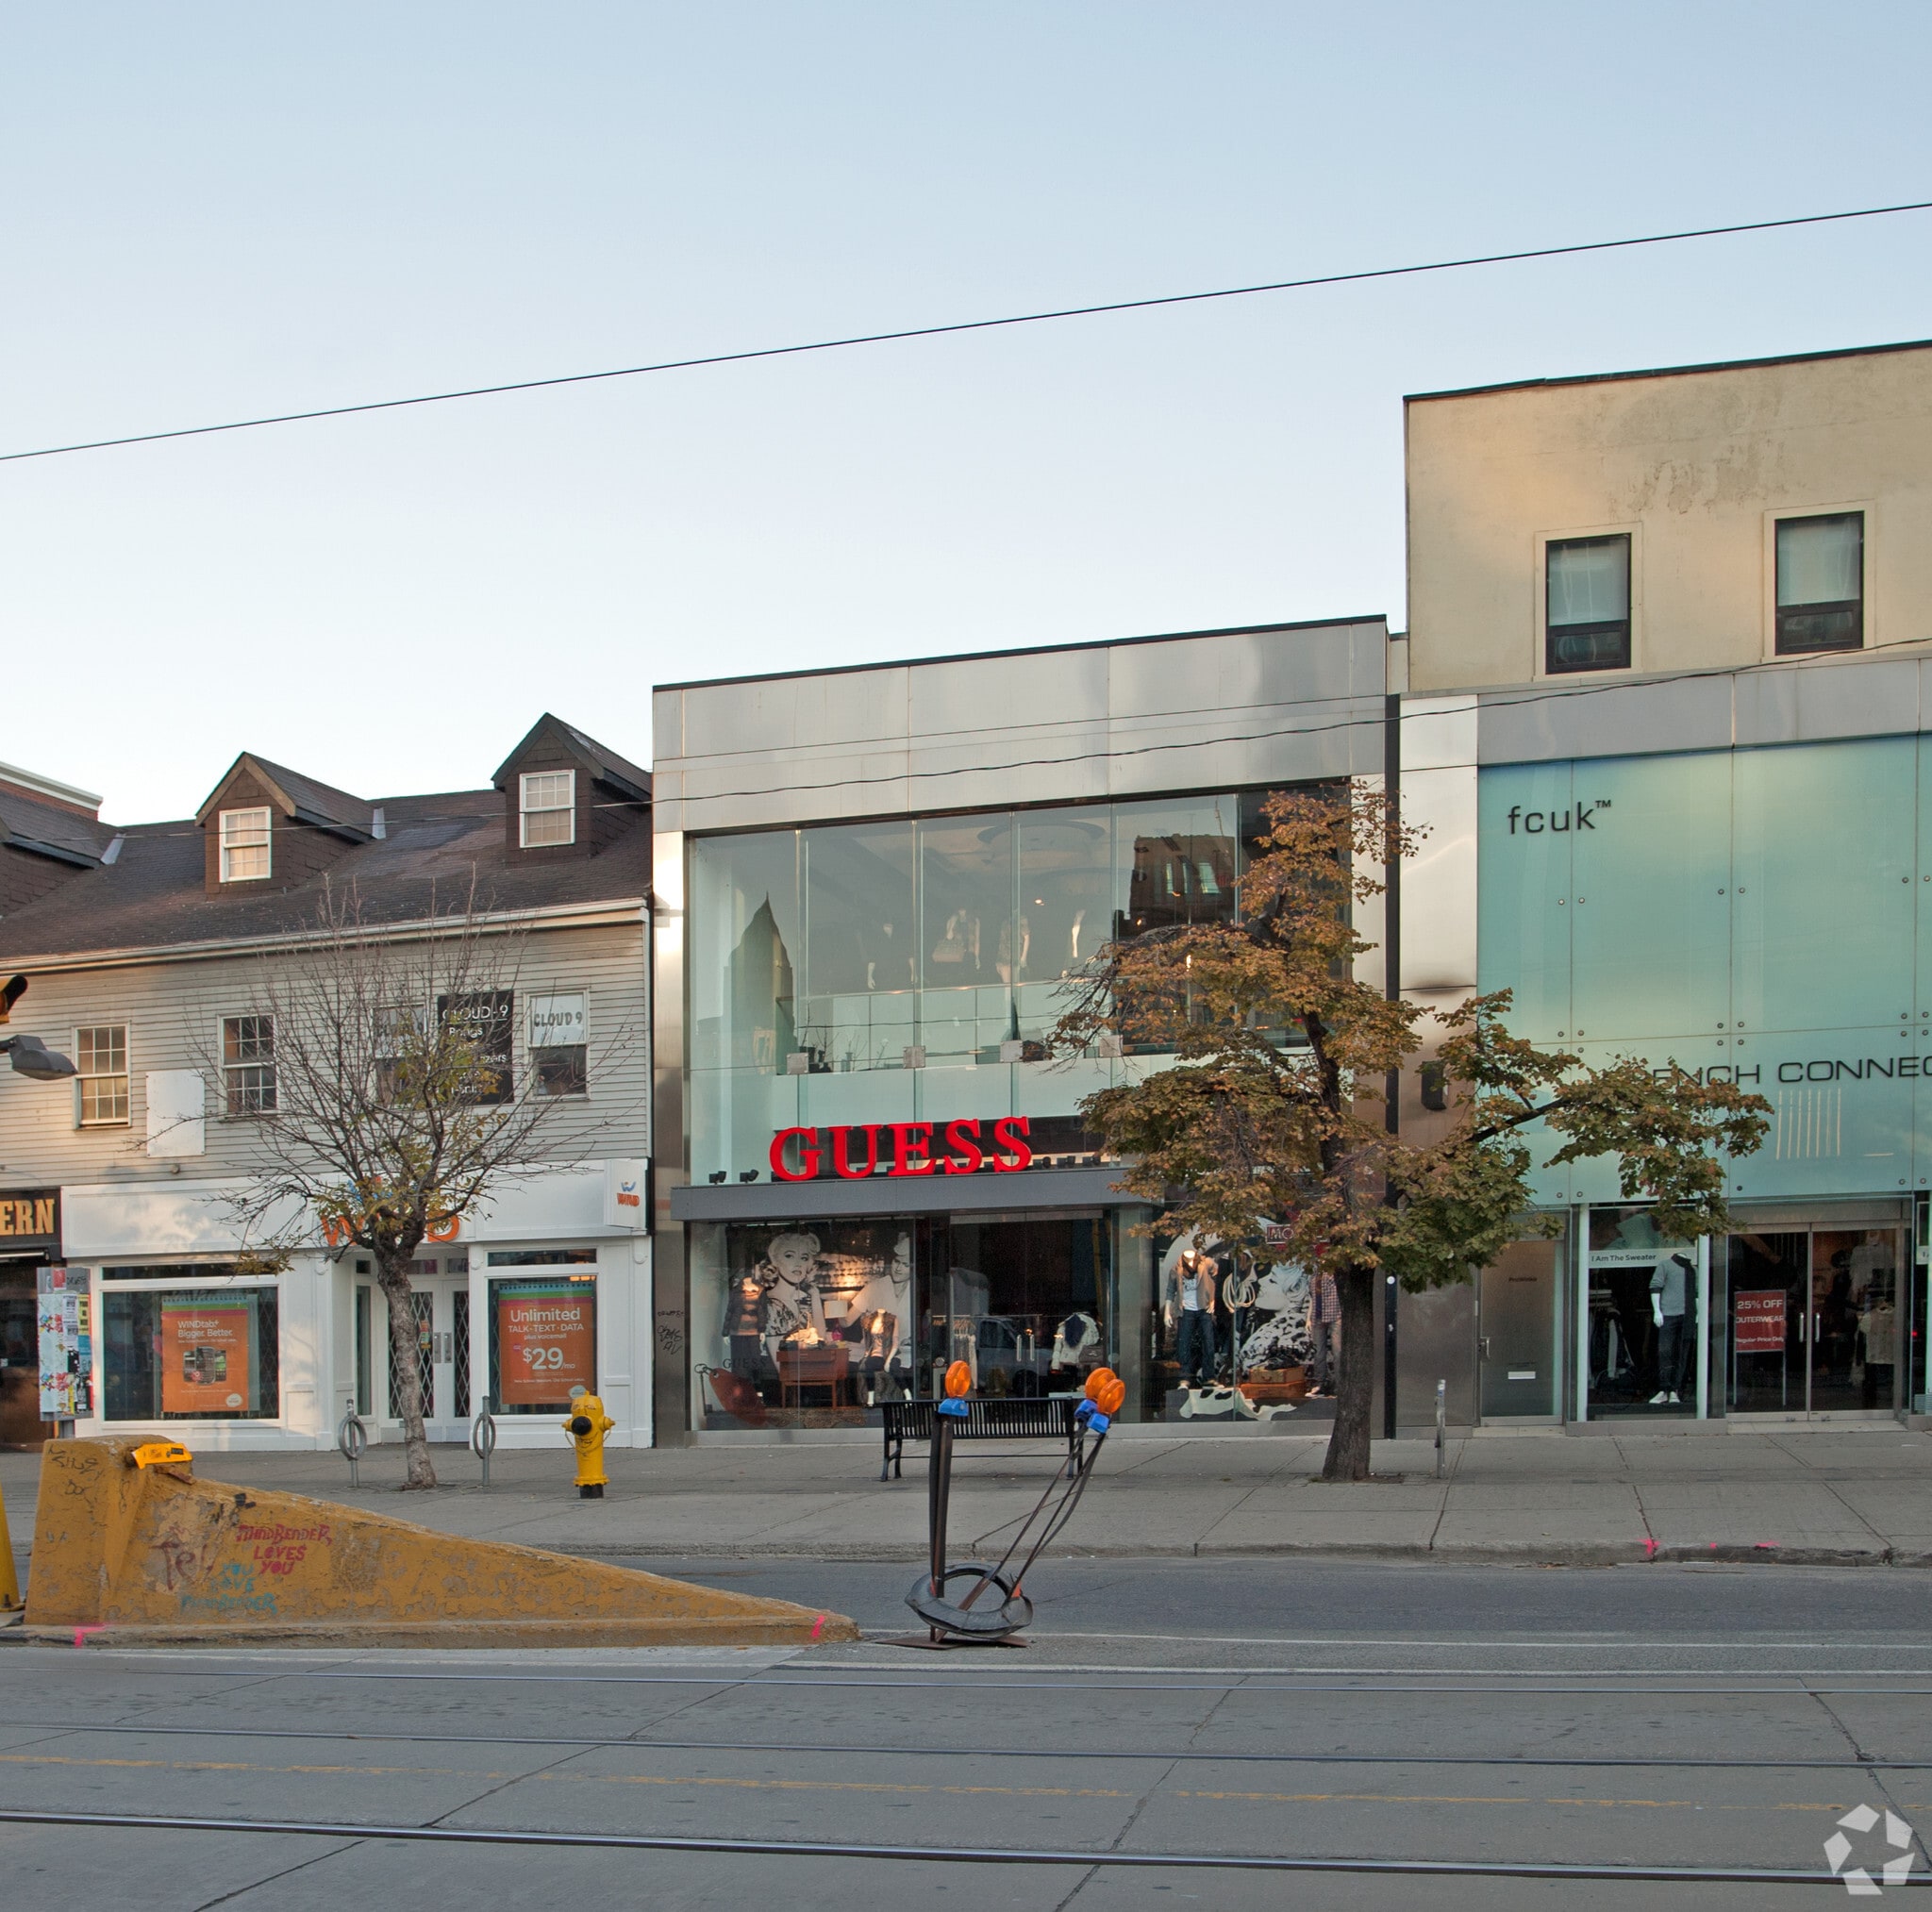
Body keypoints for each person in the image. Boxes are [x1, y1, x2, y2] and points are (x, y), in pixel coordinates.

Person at [1164, 1239, 1220, 1388]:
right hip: (1186, 1310)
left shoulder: (1206, 1263)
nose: (1191, 1261)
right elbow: (1170, 1292)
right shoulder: (1176, 1270)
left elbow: (1215, 1276)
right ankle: (1184, 1377)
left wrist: (1212, 1299)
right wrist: (1167, 1313)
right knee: (1184, 1345)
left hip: (1203, 1309)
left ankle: (1209, 1377)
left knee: (1208, 1343)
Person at [1305, 1265, 1341, 1396]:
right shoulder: (1314, 1275)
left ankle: (1339, 1385)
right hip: (1317, 1317)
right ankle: (1320, 1383)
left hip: (1335, 1315)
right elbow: (1312, 1298)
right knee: (1318, 1352)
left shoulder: (1335, 1272)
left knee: (1338, 1352)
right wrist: (1308, 1318)